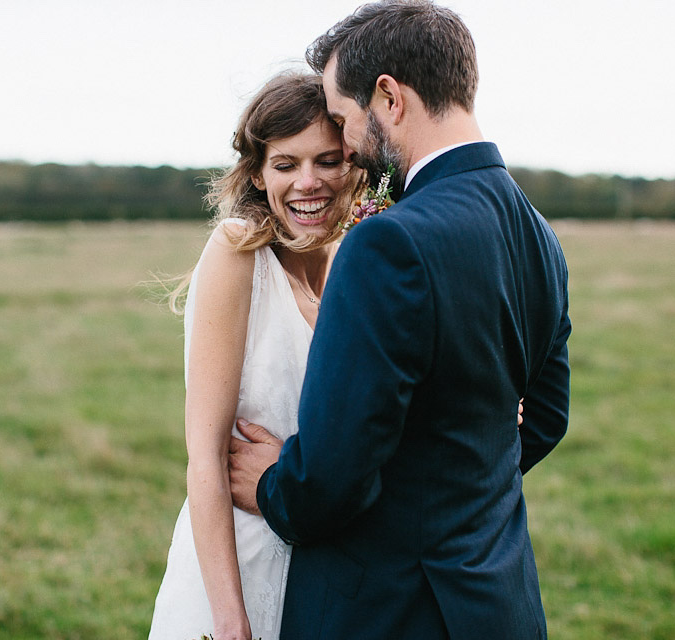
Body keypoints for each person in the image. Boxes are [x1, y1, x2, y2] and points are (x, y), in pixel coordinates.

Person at [227, 1, 572, 639]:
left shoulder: (389, 244)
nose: (348, 147)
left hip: (390, 612)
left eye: (341, 118)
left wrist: (275, 484)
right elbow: (545, 418)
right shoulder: (539, 234)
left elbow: (330, 479)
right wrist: (449, 485)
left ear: (388, 97)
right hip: (501, 602)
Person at [147, 73, 361, 640]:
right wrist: (230, 621)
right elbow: (205, 458)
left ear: (355, 165)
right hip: (239, 561)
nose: (307, 183)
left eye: (328, 160)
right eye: (285, 164)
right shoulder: (238, 250)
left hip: (323, 562)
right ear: (260, 174)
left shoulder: (355, 262)